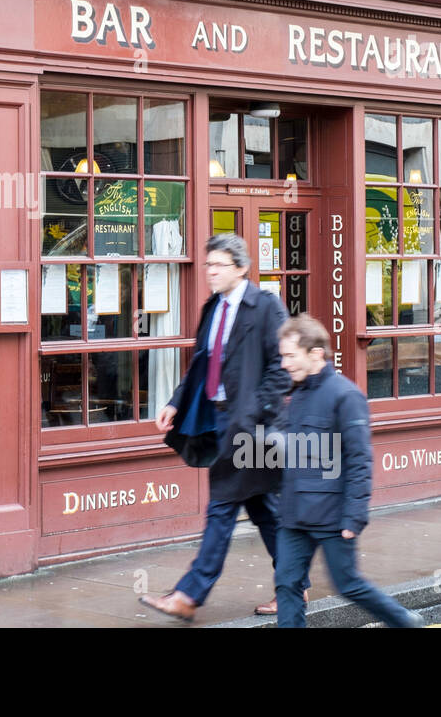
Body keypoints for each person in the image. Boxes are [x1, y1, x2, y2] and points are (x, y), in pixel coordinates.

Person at [142, 232, 303, 621]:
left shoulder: (265, 307)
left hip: (253, 427)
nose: (210, 272)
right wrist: (174, 402)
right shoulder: (213, 307)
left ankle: (191, 594)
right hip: (218, 422)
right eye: (208, 264)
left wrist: (252, 413)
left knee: (222, 506)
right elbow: (201, 363)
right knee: (264, 509)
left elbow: (282, 369)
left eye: (218, 265)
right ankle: (293, 589)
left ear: (242, 268)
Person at [273, 313, 424, 628]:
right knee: (287, 585)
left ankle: (405, 622)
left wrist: (354, 515)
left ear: (315, 354)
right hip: (294, 514)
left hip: (331, 514)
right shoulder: (296, 395)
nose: (284, 364)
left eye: (290, 356)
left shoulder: (346, 395)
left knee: (348, 585)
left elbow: (359, 460)